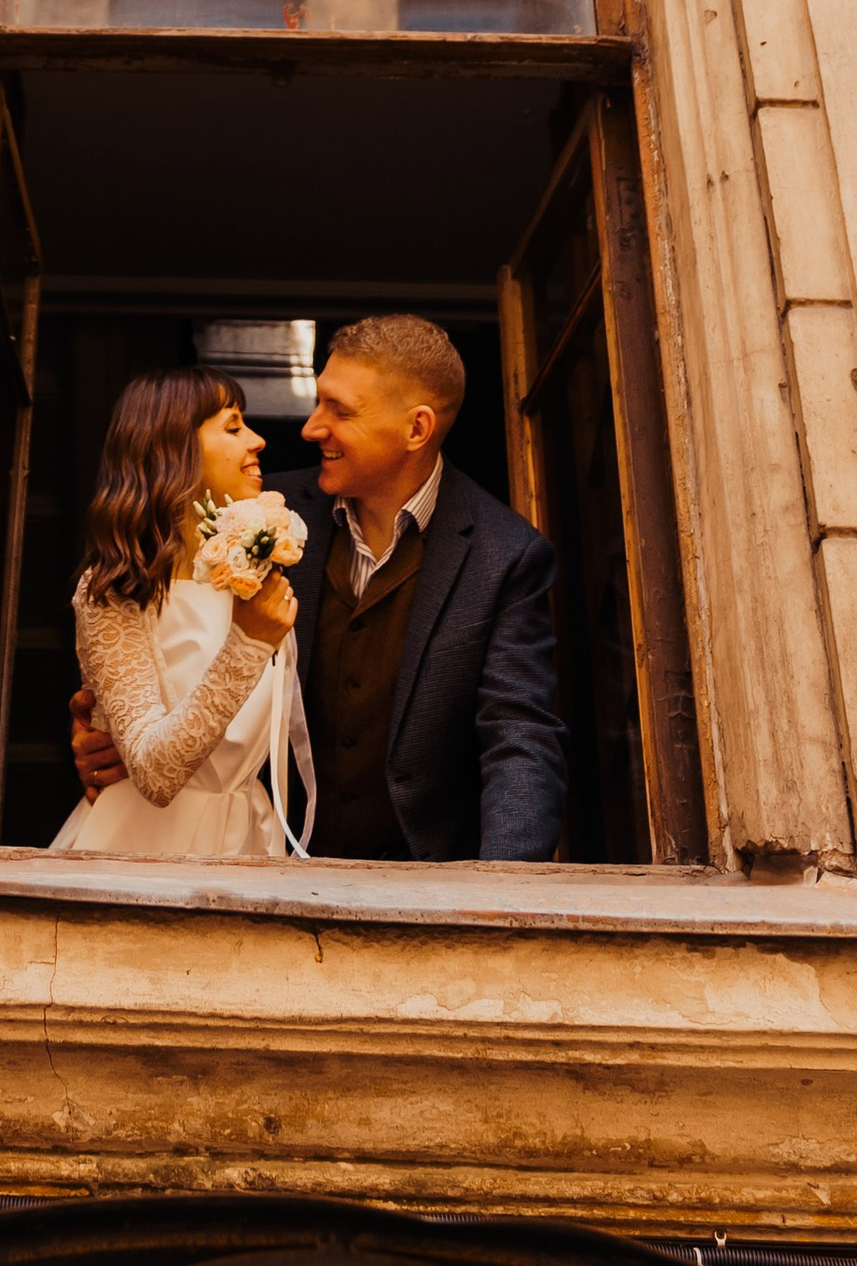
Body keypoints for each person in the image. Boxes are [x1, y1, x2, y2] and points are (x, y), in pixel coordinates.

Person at [70, 314, 567, 862]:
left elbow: (519, 737)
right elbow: (146, 638)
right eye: (317, 399)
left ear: (416, 429)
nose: (308, 428)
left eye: (339, 409)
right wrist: (99, 727)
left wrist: (505, 892)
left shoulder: (505, 554)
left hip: (421, 875)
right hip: (266, 855)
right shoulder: (252, 511)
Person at [51, 367, 305, 860]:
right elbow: (153, 772)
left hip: (249, 841)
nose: (257, 440)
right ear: (175, 450)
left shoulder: (257, 571)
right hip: (142, 847)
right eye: (233, 427)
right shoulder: (118, 588)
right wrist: (248, 644)